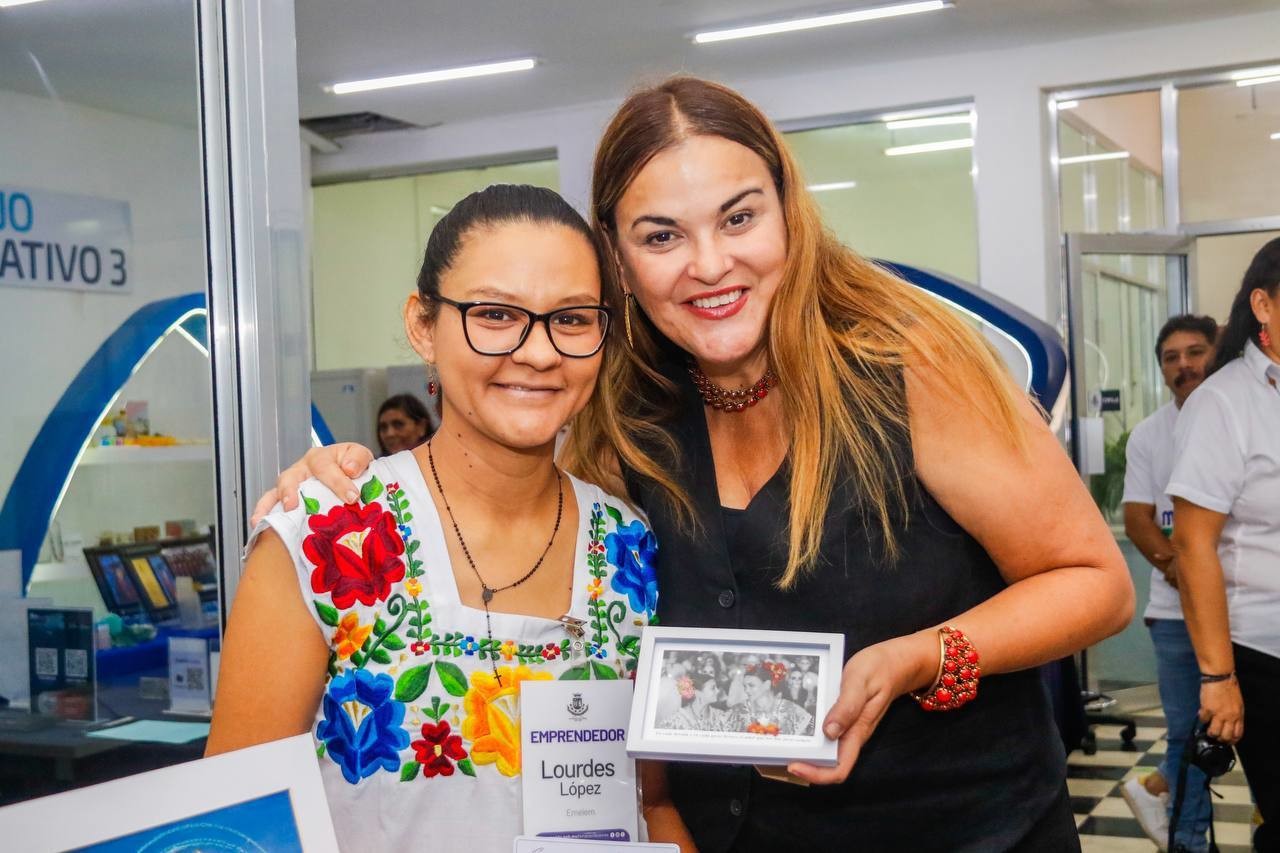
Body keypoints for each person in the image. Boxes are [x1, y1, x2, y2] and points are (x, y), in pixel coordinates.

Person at [258, 77, 1133, 851]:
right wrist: (342, 483)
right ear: (619, 259)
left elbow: (1096, 580)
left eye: (740, 217)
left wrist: (919, 656)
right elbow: (500, 461)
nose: (710, 264)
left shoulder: (908, 366)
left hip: (969, 829)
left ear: (788, 208)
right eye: (662, 234)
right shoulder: (623, 408)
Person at [208, 185, 658, 852]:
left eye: (571, 318)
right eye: (497, 313)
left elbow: (653, 797)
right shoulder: (328, 531)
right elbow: (232, 823)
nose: (538, 352)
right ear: (423, 324)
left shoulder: (630, 548)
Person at [1169, 237, 1280, 853]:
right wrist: (1218, 677)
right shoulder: (1223, 403)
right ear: (1263, 305)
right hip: (1264, 654)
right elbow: (1192, 546)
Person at [1120, 314, 1217, 850]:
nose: (1184, 365)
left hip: (1250, 616)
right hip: (1176, 616)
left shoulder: (1244, 415)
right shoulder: (1150, 434)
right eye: (1171, 358)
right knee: (1190, 733)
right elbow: (1137, 516)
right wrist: (1178, 566)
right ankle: (1188, 841)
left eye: (1195, 352)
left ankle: (1158, 785)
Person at [728, 662, 813, 736]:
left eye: (751, 685)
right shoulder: (736, 711)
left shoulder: (792, 710)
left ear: (767, 685)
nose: (746, 690)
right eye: (745, 686)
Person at [661, 669, 731, 732]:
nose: (718, 690)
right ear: (697, 692)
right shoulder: (678, 720)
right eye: (713, 688)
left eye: (717, 687)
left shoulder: (721, 716)